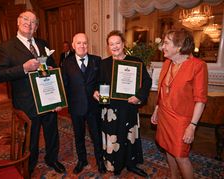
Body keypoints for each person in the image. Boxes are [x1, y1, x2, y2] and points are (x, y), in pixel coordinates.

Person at [0, 10, 66, 175]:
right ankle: (28, 165)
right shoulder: (6, 47)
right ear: (18, 22)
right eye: (25, 19)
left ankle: (52, 158)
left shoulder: (43, 43)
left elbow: (53, 66)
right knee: (30, 139)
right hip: (26, 102)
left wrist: (57, 94)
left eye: (33, 21)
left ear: (36, 27)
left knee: (51, 131)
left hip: (48, 98)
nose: (29, 23)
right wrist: (23, 68)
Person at [93, 30, 152, 177]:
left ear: (123, 44)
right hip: (110, 109)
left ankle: (131, 164)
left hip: (129, 106)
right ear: (108, 46)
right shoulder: (104, 63)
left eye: (117, 43)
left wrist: (139, 97)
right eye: (111, 44)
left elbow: (147, 81)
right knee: (114, 137)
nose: (115, 46)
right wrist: (96, 92)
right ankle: (116, 165)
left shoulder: (135, 61)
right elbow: (98, 83)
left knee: (128, 136)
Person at [151, 29, 208, 179]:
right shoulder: (167, 63)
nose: (163, 46)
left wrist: (192, 126)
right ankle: (174, 176)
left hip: (181, 120)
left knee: (181, 156)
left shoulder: (198, 66)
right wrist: (157, 109)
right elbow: (162, 90)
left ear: (179, 46)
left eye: (166, 43)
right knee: (168, 149)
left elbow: (200, 100)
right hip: (164, 116)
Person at [61, 33, 106, 174]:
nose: (82, 46)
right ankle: (82, 160)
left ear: (88, 45)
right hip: (76, 107)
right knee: (78, 135)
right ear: (74, 46)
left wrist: (99, 93)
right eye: (79, 43)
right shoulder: (66, 63)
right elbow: (64, 85)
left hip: (94, 107)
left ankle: (100, 160)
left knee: (97, 135)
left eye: (85, 43)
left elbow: (102, 81)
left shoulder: (97, 60)